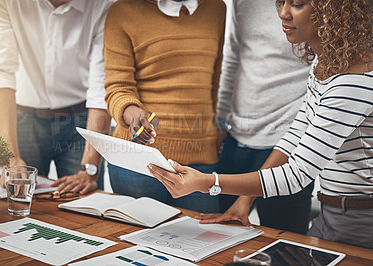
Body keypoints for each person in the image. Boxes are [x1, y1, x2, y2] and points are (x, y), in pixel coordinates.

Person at [148, 0, 373, 249]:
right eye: (281, 3)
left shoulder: (352, 83)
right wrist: (245, 199)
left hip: (359, 220)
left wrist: (206, 182)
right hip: (332, 214)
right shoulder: (324, 65)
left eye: (297, 4)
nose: (283, 13)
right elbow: (295, 135)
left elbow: (296, 175)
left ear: (334, 11)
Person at [103, 0, 226, 213]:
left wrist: (215, 129)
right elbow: (117, 87)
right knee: (134, 243)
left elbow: (213, 81)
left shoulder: (216, 8)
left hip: (201, 158)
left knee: (202, 241)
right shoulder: (122, 11)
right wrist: (135, 116)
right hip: (138, 162)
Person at [0, 0, 114, 194]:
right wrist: (9, 156)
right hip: (22, 122)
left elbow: (102, 87)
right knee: (20, 200)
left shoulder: (104, 4)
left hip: (83, 121)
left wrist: (89, 169)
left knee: (83, 200)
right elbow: (0, 73)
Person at [212, 0, 313, 234]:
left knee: (282, 240)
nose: (284, 12)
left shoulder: (308, 6)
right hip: (237, 136)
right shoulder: (242, 2)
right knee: (219, 232)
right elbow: (233, 57)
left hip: (287, 138)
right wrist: (221, 120)